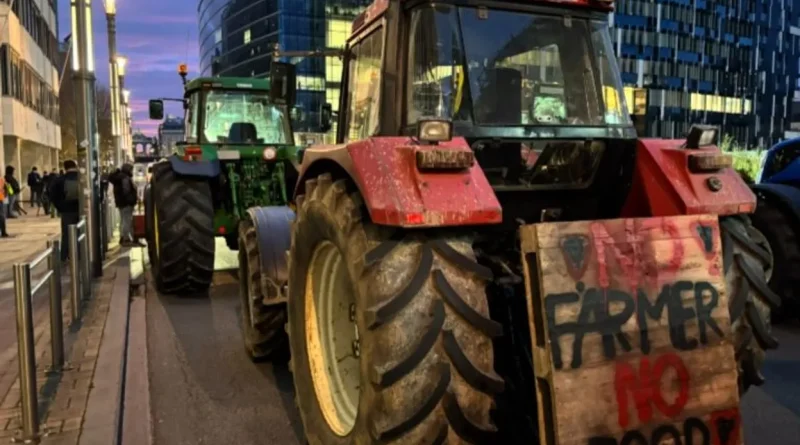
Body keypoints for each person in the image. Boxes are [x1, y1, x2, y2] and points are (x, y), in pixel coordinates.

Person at [49, 160, 81, 261]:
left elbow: (52, 196)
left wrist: (60, 208)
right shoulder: (82, 178)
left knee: (67, 234)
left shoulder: (59, 180)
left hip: (67, 211)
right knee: (81, 231)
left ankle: (64, 255)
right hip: (82, 209)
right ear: (75, 166)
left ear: (65, 167)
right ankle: (80, 253)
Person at [109, 164, 142, 246]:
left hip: (121, 202)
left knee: (123, 220)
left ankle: (124, 237)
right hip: (126, 203)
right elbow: (126, 191)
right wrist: (132, 199)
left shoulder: (119, 178)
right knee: (127, 220)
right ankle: (125, 238)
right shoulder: (125, 178)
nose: (132, 171)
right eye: (131, 169)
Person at [0, 172, 8, 237]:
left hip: (0, 199)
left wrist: (4, 195)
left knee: (2, 216)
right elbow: (6, 188)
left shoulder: (1, 180)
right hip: (1, 199)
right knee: (2, 216)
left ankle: (3, 232)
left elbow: (5, 188)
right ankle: (3, 232)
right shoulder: (2, 180)